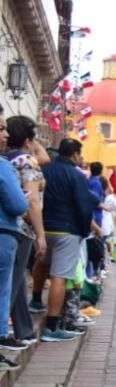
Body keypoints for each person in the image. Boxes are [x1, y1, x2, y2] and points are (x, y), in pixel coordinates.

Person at [37, 139, 99, 341]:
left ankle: (36, 300)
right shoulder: (76, 175)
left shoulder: (45, 169)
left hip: (44, 226)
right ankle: (52, 327)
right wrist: (83, 230)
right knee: (60, 277)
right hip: (67, 229)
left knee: (42, 262)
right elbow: (83, 205)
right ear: (74, 155)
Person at [2, 116, 44, 349]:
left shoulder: (6, 158)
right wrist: (40, 235)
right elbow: (33, 202)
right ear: (28, 139)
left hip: (11, 227)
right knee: (11, 283)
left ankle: (23, 328)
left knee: (14, 284)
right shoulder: (27, 160)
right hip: (21, 228)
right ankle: (4, 331)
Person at [0, 121, 30, 381]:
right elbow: (19, 204)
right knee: (2, 289)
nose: (6, 134)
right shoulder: (3, 167)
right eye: (0, 128)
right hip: (3, 233)